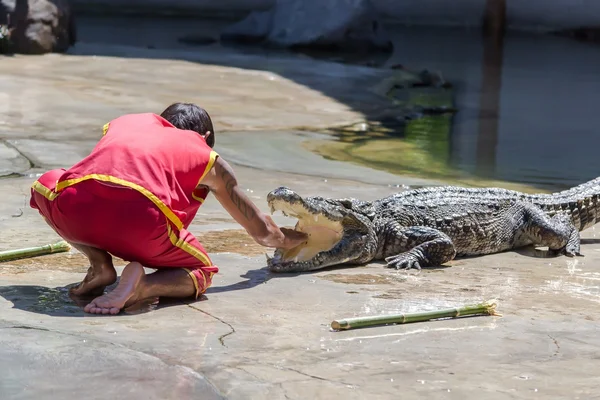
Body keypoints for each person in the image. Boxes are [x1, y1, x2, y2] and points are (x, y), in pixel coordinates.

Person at [29, 103, 307, 315]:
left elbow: (103, 176)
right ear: (205, 136)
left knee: (45, 183)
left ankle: (99, 264)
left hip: (77, 210)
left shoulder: (126, 123)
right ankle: (144, 286)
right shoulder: (207, 156)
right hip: (142, 224)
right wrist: (295, 239)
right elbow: (263, 233)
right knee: (203, 270)